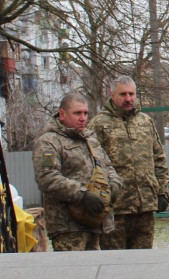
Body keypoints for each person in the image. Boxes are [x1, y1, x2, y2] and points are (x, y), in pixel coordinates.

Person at [32, 92, 122, 252]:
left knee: (93, 272)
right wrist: (82, 194)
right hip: (67, 226)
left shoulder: (90, 139)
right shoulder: (48, 142)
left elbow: (107, 165)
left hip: (93, 220)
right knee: (73, 274)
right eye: (77, 113)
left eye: (86, 113)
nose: (83, 118)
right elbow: (47, 177)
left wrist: (114, 183)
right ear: (62, 114)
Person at [90, 76, 169, 250]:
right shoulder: (99, 124)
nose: (128, 99)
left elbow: (159, 157)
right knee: (115, 262)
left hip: (145, 205)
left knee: (143, 260)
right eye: (123, 94)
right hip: (116, 207)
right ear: (112, 95)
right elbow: (91, 163)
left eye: (132, 94)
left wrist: (162, 190)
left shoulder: (145, 121)